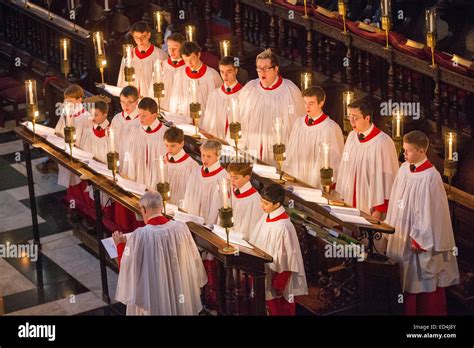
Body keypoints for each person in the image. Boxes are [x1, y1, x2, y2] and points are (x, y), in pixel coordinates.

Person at [385, 131, 459, 315]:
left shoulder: (431, 177)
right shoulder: (404, 169)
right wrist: (390, 223)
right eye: (404, 150)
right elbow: (396, 199)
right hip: (401, 231)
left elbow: (433, 212)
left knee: (416, 280)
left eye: (408, 151)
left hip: (417, 239)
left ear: (420, 151)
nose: (404, 154)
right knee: (400, 274)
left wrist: (421, 237)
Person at [113, 191, 208, 315]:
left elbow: (128, 268)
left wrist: (120, 245)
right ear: (161, 207)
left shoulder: (141, 235)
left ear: (144, 209)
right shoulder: (181, 228)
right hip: (178, 287)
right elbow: (193, 259)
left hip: (154, 293)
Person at [249, 184, 308, 315]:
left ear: (277, 204)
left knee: (278, 309)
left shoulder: (283, 227)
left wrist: (279, 283)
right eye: (261, 201)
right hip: (263, 272)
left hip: (276, 278)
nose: (262, 206)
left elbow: (289, 259)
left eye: (266, 203)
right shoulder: (267, 216)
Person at [336, 99, 399, 219]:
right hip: (350, 197)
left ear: (367, 118)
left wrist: (380, 209)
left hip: (371, 203)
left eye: (355, 117)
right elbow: (345, 167)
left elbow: (389, 178)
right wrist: (342, 196)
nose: (351, 121)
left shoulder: (383, 142)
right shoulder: (351, 136)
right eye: (350, 117)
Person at [238, 49, 305, 162]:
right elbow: (240, 120)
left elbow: (297, 127)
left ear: (276, 69)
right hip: (252, 152)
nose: (262, 72)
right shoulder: (249, 89)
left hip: (278, 156)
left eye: (266, 68)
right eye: (259, 68)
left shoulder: (290, 91)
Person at [284, 86, 344, 188]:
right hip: (298, 172)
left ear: (321, 103)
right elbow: (291, 150)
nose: (307, 107)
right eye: (305, 103)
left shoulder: (330, 127)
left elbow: (337, 158)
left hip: (317, 178)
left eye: (311, 103)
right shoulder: (299, 123)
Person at [120, 97, 167, 190]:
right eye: (139, 114)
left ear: (154, 116)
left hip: (155, 179)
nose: (140, 118)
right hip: (137, 176)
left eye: (144, 116)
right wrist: (125, 173)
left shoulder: (164, 134)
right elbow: (128, 154)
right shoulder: (135, 130)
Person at [168, 41, 222, 117]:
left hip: (206, 117)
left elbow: (218, 102)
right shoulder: (180, 75)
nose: (189, 63)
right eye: (186, 60)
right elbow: (175, 100)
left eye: (192, 59)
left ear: (198, 54)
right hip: (186, 118)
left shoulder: (212, 75)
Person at [182, 139, 227, 225]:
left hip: (209, 222)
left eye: (209, 156)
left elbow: (218, 204)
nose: (205, 159)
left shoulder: (223, 177)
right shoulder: (196, 171)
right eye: (203, 155)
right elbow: (189, 194)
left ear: (218, 156)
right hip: (193, 217)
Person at [117, 21, 168, 97]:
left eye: (143, 37)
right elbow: (122, 79)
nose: (140, 41)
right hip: (133, 100)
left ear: (149, 35)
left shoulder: (160, 55)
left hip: (152, 100)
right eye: (136, 37)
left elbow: (166, 80)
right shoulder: (129, 55)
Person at [201, 56, 243, 140]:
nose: (225, 76)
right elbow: (207, 122)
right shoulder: (214, 94)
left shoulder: (243, 94)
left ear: (236, 71)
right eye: (222, 72)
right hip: (216, 141)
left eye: (229, 72)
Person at [147, 32, 186, 111]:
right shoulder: (161, 66)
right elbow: (153, 89)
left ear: (182, 48)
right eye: (169, 47)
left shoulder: (186, 68)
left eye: (175, 48)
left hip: (181, 108)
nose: (171, 51)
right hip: (163, 107)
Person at [226, 162, 263, 240]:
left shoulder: (254, 199)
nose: (232, 181)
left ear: (247, 178)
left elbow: (253, 227)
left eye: (236, 178)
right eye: (231, 176)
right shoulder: (231, 189)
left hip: (241, 240)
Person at [163, 126, 199, 206]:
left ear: (182, 143)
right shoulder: (162, 160)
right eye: (166, 145)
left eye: (172, 146)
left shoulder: (191, 166)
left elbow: (192, 193)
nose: (169, 149)